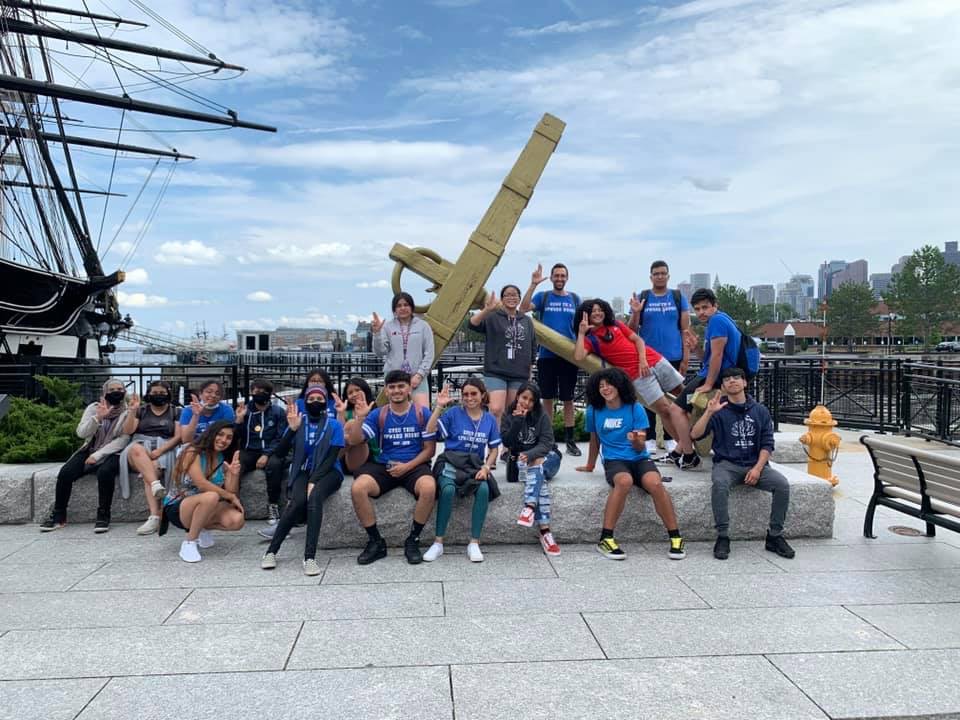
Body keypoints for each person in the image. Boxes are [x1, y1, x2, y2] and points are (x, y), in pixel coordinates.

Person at [573, 298, 700, 470]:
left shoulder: (616, 324)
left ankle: (700, 435)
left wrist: (642, 360)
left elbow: (638, 340)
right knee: (665, 410)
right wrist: (581, 333)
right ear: (586, 315)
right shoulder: (590, 340)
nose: (597, 313)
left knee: (686, 398)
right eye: (593, 311)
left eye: (600, 309)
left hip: (654, 360)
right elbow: (579, 357)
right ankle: (687, 451)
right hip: (638, 376)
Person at [576, 368, 686, 561]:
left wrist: (636, 440)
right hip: (614, 460)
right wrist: (590, 465)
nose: (605, 389)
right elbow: (595, 439)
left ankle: (676, 537)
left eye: (609, 384)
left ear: (619, 386)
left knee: (655, 483)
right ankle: (606, 538)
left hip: (639, 458)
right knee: (624, 481)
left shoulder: (635, 408)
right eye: (601, 386)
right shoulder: (594, 410)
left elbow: (640, 445)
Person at [690, 367, 795, 561]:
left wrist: (757, 469)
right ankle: (723, 536)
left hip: (756, 463)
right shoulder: (718, 410)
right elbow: (695, 435)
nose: (732, 381)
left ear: (745, 382)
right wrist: (709, 412)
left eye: (736, 377)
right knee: (719, 484)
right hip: (727, 464)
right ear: (723, 386)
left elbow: (767, 444)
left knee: (782, 485)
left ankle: (774, 536)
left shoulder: (760, 411)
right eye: (727, 379)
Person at [345, 369, 437, 565]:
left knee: (429, 487)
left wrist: (406, 467)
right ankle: (376, 541)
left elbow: (429, 450)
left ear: (409, 389)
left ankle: (413, 539)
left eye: (401, 386)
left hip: (414, 464)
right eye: (392, 387)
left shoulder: (422, 413)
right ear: (386, 391)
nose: (396, 391)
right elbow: (354, 441)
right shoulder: (378, 414)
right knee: (358, 488)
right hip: (384, 464)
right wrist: (360, 418)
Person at [260, 386, 345, 575]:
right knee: (296, 502)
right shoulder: (298, 421)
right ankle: (271, 551)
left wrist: (314, 480)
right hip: (303, 470)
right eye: (311, 398)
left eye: (319, 399)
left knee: (314, 498)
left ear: (325, 403)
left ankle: (309, 557)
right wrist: (292, 429)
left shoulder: (334, 425)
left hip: (329, 471)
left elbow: (332, 457)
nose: (315, 402)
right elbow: (280, 453)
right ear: (305, 402)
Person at [422, 379, 501, 563]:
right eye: (465, 394)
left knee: (483, 489)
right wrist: (439, 407)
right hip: (451, 461)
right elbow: (430, 430)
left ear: (482, 395)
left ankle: (474, 542)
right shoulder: (453, 413)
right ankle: (438, 543)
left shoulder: (489, 419)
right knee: (447, 490)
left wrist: (486, 467)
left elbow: (494, 449)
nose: (469, 398)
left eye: (473, 394)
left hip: (474, 466)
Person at [41, 378, 131, 533]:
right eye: (111, 390)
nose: (116, 393)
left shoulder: (128, 412)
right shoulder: (94, 408)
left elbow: (123, 440)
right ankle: (59, 515)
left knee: (105, 472)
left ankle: (103, 515)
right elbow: (81, 433)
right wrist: (98, 418)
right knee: (65, 473)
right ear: (104, 392)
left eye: (119, 390)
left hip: (114, 452)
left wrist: (98, 455)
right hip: (90, 448)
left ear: (124, 392)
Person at [627, 260, 691, 457]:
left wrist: (686, 358)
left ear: (668, 276)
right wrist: (636, 313)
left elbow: (685, 330)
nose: (660, 276)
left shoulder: (678, 297)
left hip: (673, 356)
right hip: (647, 358)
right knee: (649, 399)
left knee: (674, 401)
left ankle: (672, 439)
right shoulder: (643, 297)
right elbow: (631, 330)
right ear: (651, 277)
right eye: (656, 273)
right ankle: (650, 439)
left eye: (663, 273)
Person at [520, 262, 582, 456]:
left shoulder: (575, 299)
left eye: (563, 275)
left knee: (568, 398)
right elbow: (523, 309)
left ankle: (570, 440)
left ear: (567, 278)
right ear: (552, 277)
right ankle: (549, 439)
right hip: (547, 355)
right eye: (556, 275)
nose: (559, 279)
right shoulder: (543, 296)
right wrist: (533, 284)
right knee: (547, 398)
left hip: (569, 356)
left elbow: (582, 326)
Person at [162, 420, 245, 563]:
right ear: (211, 434)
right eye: (220, 434)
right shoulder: (192, 451)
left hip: (206, 505)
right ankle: (189, 542)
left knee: (236, 520)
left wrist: (233, 474)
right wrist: (230, 496)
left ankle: (201, 528)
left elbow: (232, 492)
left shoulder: (222, 457)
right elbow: (200, 483)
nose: (223, 440)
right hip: (178, 506)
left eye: (229, 437)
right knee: (211, 496)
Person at [502, 381, 561, 556]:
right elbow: (508, 442)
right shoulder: (508, 414)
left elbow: (547, 443)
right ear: (517, 396)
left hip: (548, 458)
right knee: (539, 477)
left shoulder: (542, 416)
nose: (526, 403)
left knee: (540, 463)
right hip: (523, 462)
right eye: (524, 398)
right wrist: (518, 420)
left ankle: (529, 507)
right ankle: (545, 531)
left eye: (531, 400)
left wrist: (531, 454)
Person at [118, 381, 182, 535]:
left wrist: (160, 451)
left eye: (162, 393)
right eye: (155, 393)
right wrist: (132, 411)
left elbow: (178, 437)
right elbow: (128, 431)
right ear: (148, 394)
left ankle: (154, 516)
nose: (158, 396)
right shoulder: (141, 410)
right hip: (140, 447)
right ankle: (155, 485)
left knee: (150, 471)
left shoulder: (176, 411)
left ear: (168, 394)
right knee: (136, 449)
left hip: (165, 447)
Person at [469, 286, 536, 424]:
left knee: (512, 411)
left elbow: (532, 347)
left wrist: (529, 373)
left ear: (519, 298)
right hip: (496, 371)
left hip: (519, 373)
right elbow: (472, 324)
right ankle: (494, 437)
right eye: (507, 295)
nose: (511, 298)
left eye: (514, 295)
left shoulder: (527, 321)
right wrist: (487, 309)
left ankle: (506, 438)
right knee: (495, 409)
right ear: (502, 299)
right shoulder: (493, 317)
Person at [235, 378, 288, 527]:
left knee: (275, 466)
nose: (260, 394)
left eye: (264, 391)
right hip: (249, 450)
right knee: (236, 466)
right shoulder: (246, 411)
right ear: (251, 392)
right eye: (256, 391)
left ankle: (273, 505)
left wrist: (266, 454)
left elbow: (280, 437)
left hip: (270, 451)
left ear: (270, 394)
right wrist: (239, 420)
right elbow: (236, 436)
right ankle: (232, 501)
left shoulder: (278, 412)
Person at [372, 292, 435, 410]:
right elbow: (380, 352)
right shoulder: (387, 327)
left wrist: (419, 375)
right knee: (396, 412)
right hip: (394, 378)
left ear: (412, 307)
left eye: (406, 305)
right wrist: (377, 334)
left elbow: (429, 353)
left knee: (422, 412)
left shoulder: (423, 326)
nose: (402, 308)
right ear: (394, 309)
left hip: (417, 376)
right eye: (399, 305)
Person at [683, 288, 742, 403]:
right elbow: (707, 359)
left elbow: (717, 355)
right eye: (697, 309)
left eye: (705, 307)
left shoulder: (716, 321)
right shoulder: (719, 319)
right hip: (720, 375)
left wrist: (708, 384)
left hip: (718, 377)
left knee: (676, 409)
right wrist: (696, 348)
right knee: (691, 405)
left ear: (715, 305)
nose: (701, 312)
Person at [337, 376, 381, 474]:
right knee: (349, 428)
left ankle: (327, 462)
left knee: (353, 425)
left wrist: (360, 419)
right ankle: (329, 462)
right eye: (350, 393)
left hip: (368, 453)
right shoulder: (346, 412)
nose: (354, 394)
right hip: (346, 456)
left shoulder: (375, 411)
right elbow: (339, 435)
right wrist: (340, 413)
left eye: (357, 390)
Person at [179, 379, 235, 443]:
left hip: (217, 446)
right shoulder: (188, 410)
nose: (213, 395)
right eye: (209, 392)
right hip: (194, 446)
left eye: (217, 393)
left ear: (221, 397)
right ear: (200, 394)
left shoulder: (227, 410)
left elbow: (225, 437)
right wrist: (196, 415)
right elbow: (186, 440)